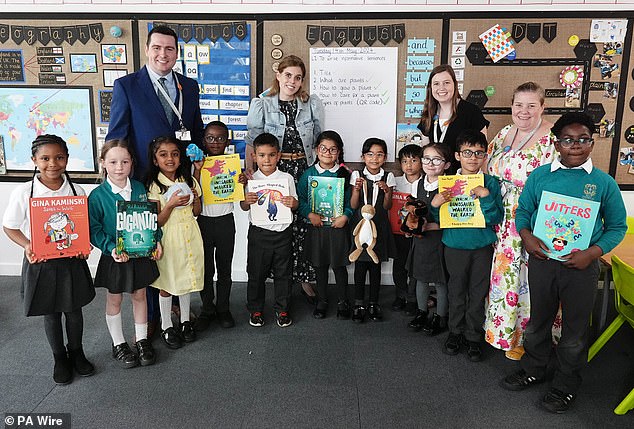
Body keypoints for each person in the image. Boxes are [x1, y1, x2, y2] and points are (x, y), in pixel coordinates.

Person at [501, 112, 627, 414]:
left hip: (581, 269)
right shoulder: (541, 176)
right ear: (556, 144)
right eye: (568, 139)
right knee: (538, 321)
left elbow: (617, 228)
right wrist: (527, 236)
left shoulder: (602, 183)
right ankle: (535, 367)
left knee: (574, 330)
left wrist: (593, 253)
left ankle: (566, 383)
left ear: (592, 142)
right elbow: (523, 213)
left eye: (583, 139)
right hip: (543, 263)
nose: (576, 145)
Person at [106, 24, 203, 338]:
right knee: (148, 246)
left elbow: (196, 131)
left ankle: (175, 305)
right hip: (143, 181)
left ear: (177, 52)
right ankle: (149, 314)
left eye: (170, 49)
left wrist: (200, 159)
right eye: (157, 48)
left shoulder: (188, 86)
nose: (163, 54)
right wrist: (118, 177)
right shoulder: (126, 85)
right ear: (147, 50)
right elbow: (117, 134)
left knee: (176, 245)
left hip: (179, 178)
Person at [3, 135, 95, 385]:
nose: (52, 163)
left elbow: (82, 226)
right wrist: (27, 245)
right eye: (45, 158)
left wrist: (84, 245)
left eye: (59, 157)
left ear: (66, 159)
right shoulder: (24, 192)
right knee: (51, 313)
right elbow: (9, 227)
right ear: (34, 160)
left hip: (71, 260)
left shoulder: (78, 190)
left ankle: (77, 352)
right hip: (41, 262)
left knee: (74, 311)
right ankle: (59, 358)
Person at [484, 82, 557, 361]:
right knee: (504, 278)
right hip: (500, 218)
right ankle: (504, 333)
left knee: (528, 280)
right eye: (518, 105)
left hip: (530, 218)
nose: (523, 111)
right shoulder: (504, 132)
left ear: (542, 107)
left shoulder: (551, 138)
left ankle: (529, 340)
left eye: (531, 105)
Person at [246, 55, 324, 302]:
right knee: (277, 223)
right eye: (288, 75)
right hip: (273, 170)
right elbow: (252, 143)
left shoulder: (311, 103)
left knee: (304, 224)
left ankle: (303, 277)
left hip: (303, 168)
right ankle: (281, 277)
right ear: (278, 75)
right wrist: (252, 177)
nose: (293, 81)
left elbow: (319, 139)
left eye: (298, 77)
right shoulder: (261, 104)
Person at [430, 130, 503, 361]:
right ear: (458, 155)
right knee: (456, 291)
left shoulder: (490, 182)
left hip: (481, 247)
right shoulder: (449, 182)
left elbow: (495, 218)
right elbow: (440, 218)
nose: (473, 157)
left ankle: (473, 336)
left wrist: (487, 196)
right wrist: (435, 204)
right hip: (454, 245)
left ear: (485, 156)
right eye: (467, 152)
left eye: (479, 153)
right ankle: (455, 332)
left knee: (478, 293)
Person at [88, 139, 161, 368]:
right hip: (115, 257)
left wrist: (156, 241)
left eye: (125, 161)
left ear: (132, 163)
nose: (119, 167)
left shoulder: (139, 188)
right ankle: (118, 343)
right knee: (115, 299)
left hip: (139, 255)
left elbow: (150, 219)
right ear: (103, 163)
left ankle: (141, 340)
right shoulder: (98, 196)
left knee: (140, 296)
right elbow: (94, 229)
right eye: (113, 162)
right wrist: (111, 248)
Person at [146, 136, 204, 349]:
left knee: (186, 280)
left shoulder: (188, 180)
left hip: (190, 236)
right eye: (163, 154)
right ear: (155, 160)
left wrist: (196, 198)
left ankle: (186, 321)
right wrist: (170, 205)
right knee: (168, 284)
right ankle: (167, 325)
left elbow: (197, 212)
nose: (170, 158)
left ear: (181, 158)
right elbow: (157, 221)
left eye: (175, 154)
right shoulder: (154, 186)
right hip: (169, 239)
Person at [241, 133, 298, 328]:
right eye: (262, 155)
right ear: (254, 156)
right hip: (259, 233)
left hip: (283, 232)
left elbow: (295, 202)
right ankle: (255, 309)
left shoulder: (286, 178)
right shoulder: (249, 179)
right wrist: (246, 201)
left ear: (278, 155)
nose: (267, 160)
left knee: (284, 273)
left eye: (271, 155)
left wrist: (293, 203)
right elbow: (243, 206)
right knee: (256, 273)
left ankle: (282, 309)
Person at [298, 130, 353, 319]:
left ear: (338, 152)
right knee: (319, 266)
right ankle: (322, 300)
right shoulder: (309, 174)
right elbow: (302, 200)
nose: (327, 153)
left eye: (332, 149)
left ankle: (343, 301)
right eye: (323, 148)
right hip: (317, 229)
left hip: (337, 229)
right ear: (316, 150)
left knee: (339, 267)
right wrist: (309, 213)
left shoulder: (345, 174)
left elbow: (350, 202)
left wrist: (346, 215)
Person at [192, 121, 242, 331]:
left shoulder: (232, 163)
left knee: (224, 268)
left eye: (220, 138)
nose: (215, 142)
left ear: (227, 141)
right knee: (205, 269)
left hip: (225, 221)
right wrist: (197, 171)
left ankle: (223, 308)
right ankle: (207, 309)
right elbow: (191, 190)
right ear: (204, 140)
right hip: (202, 221)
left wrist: (242, 181)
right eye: (211, 138)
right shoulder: (197, 163)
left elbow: (239, 193)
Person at [349, 138, 396, 323]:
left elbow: (387, 206)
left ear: (385, 157)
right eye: (370, 154)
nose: (374, 158)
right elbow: (353, 205)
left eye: (379, 154)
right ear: (363, 156)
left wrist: (387, 192)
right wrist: (356, 190)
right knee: (360, 266)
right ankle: (359, 303)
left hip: (379, 227)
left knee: (376, 267)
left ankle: (373, 303)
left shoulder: (389, 176)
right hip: (361, 228)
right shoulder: (357, 175)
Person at [407, 143, 452, 335]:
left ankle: (441, 317)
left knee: (441, 281)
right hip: (420, 240)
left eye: (437, 159)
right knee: (420, 278)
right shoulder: (418, 183)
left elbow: (454, 219)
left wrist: (428, 226)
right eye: (426, 158)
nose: (430, 163)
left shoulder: (449, 186)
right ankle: (422, 311)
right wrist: (409, 225)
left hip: (439, 240)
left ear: (447, 164)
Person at [418, 64, 489, 173]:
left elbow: (483, 152)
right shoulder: (428, 114)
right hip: (436, 179)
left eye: (446, 83)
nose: (441, 88)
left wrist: (483, 179)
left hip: (464, 179)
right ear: (430, 88)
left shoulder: (471, 111)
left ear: (455, 85)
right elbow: (426, 153)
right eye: (436, 84)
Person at [391, 144, 422, 315]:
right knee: (399, 265)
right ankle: (400, 294)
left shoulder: (426, 183)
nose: (409, 165)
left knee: (415, 267)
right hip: (399, 232)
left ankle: (412, 298)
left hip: (418, 234)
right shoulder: (395, 182)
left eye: (413, 160)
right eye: (404, 161)